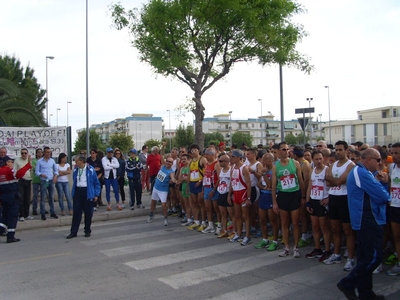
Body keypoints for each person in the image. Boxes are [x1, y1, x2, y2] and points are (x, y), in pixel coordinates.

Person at [337, 148, 389, 300]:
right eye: (378, 160)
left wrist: (377, 180)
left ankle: (366, 293)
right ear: (369, 160)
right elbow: (382, 196)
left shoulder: (363, 172)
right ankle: (347, 283)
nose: (380, 163)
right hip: (368, 219)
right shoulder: (361, 173)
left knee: (364, 256)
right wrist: (384, 184)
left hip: (365, 219)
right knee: (374, 257)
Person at [271, 141, 305, 258]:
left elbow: (301, 181)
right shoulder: (276, 166)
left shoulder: (295, 163)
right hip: (283, 195)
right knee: (284, 223)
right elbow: (274, 185)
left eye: (287, 149)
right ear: (279, 152)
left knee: (295, 222)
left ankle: (296, 247)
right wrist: (274, 202)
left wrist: (303, 196)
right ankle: (286, 247)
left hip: (294, 194)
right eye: (283, 149)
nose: (286, 151)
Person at [66, 155, 101, 239]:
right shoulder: (76, 170)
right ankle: (73, 232)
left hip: (87, 192)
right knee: (76, 213)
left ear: (81, 161)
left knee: (88, 213)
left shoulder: (90, 170)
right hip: (78, 191)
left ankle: (87, 230)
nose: (75, 162)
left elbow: (96, 183)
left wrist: (96, 194)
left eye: (77, 161)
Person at [0, 155, 32, 243]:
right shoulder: (8, 171)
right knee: (13, 216)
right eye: (11, 162)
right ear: (7, 163)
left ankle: (1, 229)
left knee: (5, 215)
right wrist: (28, 165)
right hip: (12, 196)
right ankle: (10, 236)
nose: (12, 163)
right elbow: (19, 174)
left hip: (3, 196)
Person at [146, 154, 178, 226]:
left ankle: (165, 218)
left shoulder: (171, 172)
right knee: (153, 202)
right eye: (167, 161)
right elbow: (161, 155)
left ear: (172, 164)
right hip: (156, 188)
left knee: (164, 205)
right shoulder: (163, 165)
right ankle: (151, 215)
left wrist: (175, 181)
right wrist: (163, 147)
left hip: (163, 190)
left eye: (170, 162)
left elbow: (172, 178)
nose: (168, 163)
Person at [35, 146, 59, 220]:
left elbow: (56, 170)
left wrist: (55, 176)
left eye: (50, 152)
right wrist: (41, 174)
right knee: (43, 197)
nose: (49, 153)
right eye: (47, 152)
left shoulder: (52, 161)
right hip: (44, 180)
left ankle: (52, 212)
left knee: (51, 197)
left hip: (51, 180)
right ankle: (42, 213)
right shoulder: (40, 161)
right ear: (44, 153)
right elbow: (36, 172)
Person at [387, 142, 400, 276]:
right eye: (393, 153)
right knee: (396, 236)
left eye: (397, 153)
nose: (394, 156)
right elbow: (390, 184)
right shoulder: (391, 167)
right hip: (394, 206)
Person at [14, 148, 34, 221]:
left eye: (25, 153)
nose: (24, 154)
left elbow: (31, 169)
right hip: (21, 180)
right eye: (22, 153)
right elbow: (15, 171)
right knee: (21, 198)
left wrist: (29, 161)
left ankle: (27, 214)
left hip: (28, 180)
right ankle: (21, 214)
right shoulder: (17, 160)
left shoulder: (29, 160)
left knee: (27, 198)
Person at [31, 148, 43, 215]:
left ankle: (42, 208)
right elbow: (36, 168)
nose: (40, 153)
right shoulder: (34, 161)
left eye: (41, 152)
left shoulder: (44, 161)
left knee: (43, 195)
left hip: (43, 179)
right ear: (36, 153)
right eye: (38, 152)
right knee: (35, 195)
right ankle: (34, 209)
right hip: (36, 179)